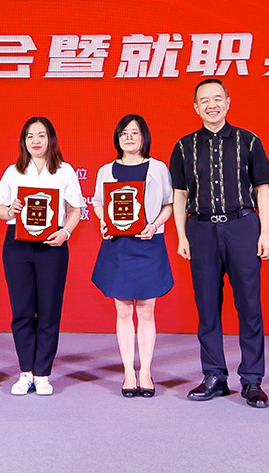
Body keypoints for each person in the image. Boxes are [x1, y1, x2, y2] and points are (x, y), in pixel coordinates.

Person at [169, 78, 269, 408]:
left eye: (217, 98)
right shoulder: (184, 146)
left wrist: (266, 232)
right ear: (195, 107)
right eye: (204, 100)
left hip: (242, 227)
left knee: (249, 305)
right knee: (206, 306)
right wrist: (182, 235)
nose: (211, 105)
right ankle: (214, 375)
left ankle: (252, 380)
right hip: (201, 229)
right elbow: (179, 194)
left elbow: (262, 189)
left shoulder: (249, 141)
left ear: (228, 102)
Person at [0, 117, 83, 396]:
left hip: (52, 245)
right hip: (18, 245)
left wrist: (65, 233)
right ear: (24, 141)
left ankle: (42, 373)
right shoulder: (14, 171)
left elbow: (75, 209)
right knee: (21, 310)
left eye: (41, 135)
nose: (35, 141)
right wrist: (11, 210)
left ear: (50, 139)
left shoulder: (65, 170)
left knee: (48, 310)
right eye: (30, 136)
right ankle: (25, 372)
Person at [91, 114, 174, 398]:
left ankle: (146, 372)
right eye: (124, 133)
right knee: (123, 310)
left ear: (144, 137)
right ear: (117, 138)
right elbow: (99, 204)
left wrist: (155, 225)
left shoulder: (158, 168)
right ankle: (128, 372)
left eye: (135, 133)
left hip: (149, 243)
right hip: (119, 246)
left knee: (147, 310)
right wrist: (104, 222)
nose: (129, 137)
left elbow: (168, 204)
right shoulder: (106, 170)